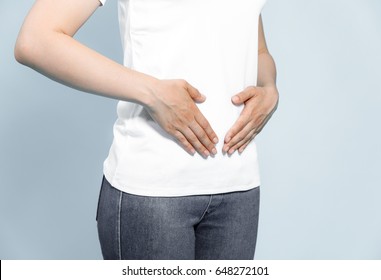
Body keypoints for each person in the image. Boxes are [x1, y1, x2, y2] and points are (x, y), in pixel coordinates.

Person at [15, 0, 278, 260]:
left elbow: (257, 49)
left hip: (239, 189)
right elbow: (36, 40)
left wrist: (269, 88)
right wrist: (152, 93)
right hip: (152, 195)